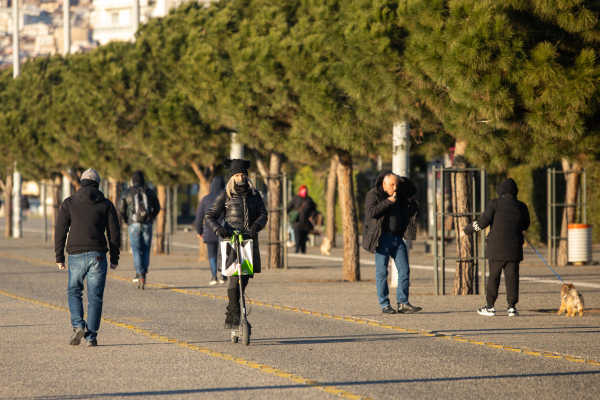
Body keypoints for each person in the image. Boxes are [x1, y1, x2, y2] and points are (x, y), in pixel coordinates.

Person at [55, 169, 120, 347]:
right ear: (98, 184)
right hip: (98, 255)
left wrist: (59, 256)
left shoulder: (69, 203)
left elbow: (60, 230)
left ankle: (77, 325)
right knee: (95, 298)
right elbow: (114, 233)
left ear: (81, 183)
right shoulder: (106, 204)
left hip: (75, 254)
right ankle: (91, 337)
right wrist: (115, 257)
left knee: (74, 291)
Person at [205, 158, 268, 329]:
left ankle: (234, 309)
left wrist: (256, 226)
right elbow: (209, 216)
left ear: (246, 176)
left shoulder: (255, 195)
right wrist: (220, 230)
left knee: (245, 277)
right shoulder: (225, 194)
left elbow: (263, 215)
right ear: (231, 177)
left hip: (248, 242)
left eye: (242, 175)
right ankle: (232, 312)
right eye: (236, 175)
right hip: (232, 242)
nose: (240, 178)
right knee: (234, 277)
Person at [461, 178, 530, 317]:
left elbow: (483, 222)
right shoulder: (522, 206)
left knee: (494, 277)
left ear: (501, 191)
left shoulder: (495, 203)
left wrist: (466, 230)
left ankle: (490, 306)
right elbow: (526, 225)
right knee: (512, 277)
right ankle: (512, 307)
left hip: (496, 248)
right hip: (514, 249)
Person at [363, 171, 421, 314]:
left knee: (404, 271)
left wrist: (401, 179)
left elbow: (413, 190)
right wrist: (388, 202)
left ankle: (403, 302)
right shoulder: (373, 194)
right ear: (384, 184)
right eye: (392, 184)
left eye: (396, 184)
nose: (395, 187)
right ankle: (385, 304)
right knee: (382, 272)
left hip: (397, 238)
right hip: (382, 238)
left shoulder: (399, 192)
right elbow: (371, 212)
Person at [119, 170, 161, 287]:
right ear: (143, 180)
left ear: (132, 180)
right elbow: (157, 207)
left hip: (134, 224)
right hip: (147, 224)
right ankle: (144, 273)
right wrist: (151, 217)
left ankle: (139, 273)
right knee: (146, 250)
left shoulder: (127, 192)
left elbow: (121, 208)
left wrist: (126, 220)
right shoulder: (150, 192)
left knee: (136, 250)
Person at [195, 176, 227, 285]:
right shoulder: (226, 198)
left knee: (212, 254)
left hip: (209, 231)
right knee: (224, 253)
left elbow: (199, 216)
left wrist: (199, 231)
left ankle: (214, 276)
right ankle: (223, 275)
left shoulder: (205, 199)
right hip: (224, 230)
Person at [286, 185, 316, 254]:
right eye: (303, 190)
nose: (304, 192)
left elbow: (313, 210)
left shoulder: (309, 200)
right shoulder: (295, 198)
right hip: (297, 222)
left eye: (305, 190)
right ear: (300, 190)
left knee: (304, 238)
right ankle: (296, 250)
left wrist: (312, 215)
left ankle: (303, 250)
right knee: (298, 236)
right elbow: (289, 207)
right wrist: (287, 214)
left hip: (306, 222)